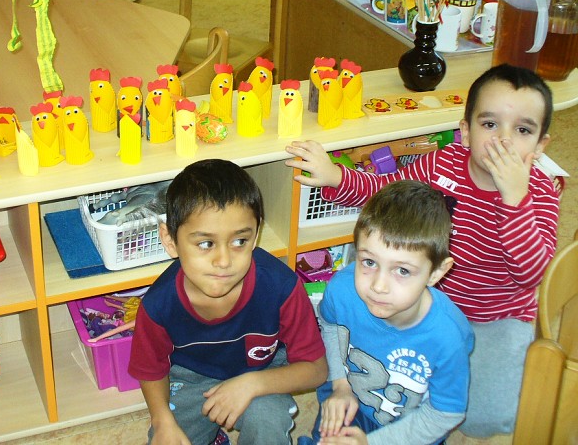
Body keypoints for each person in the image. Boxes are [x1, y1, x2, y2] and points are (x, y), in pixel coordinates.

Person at [286, 63, 559, 438]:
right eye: (490, 124)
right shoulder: (445, 162)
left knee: (481, 418)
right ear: (466, 131)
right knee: (374, 370)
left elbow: (531, 275)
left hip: (496, 316)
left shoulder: (540, 192)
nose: (504, 141)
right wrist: (335, 176)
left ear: (540, 146)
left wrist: (515, 201)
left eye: (523, 130)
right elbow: (387, 192)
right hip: (422, 298)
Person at [129, 159, 328, 445]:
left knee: (267, 420)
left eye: (239, 241)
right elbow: (151, 369)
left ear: (255, 236)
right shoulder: (158, 304)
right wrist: (162, 421)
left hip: (263, 372)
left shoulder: (281, 286)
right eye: (205, 244)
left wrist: (252, 384)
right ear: (170, 240)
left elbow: (316, 369)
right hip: (191, 377)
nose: (224, 261)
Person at [309, 180, 473, 445]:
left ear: (436, 273)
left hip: (410, 430)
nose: (379, 286)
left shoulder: (447, 337)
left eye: (403, 270)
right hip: (351, 400)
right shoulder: (342, 290)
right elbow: (329, 327)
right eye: (369, 262)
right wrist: (340, 385)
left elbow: (444, 414)